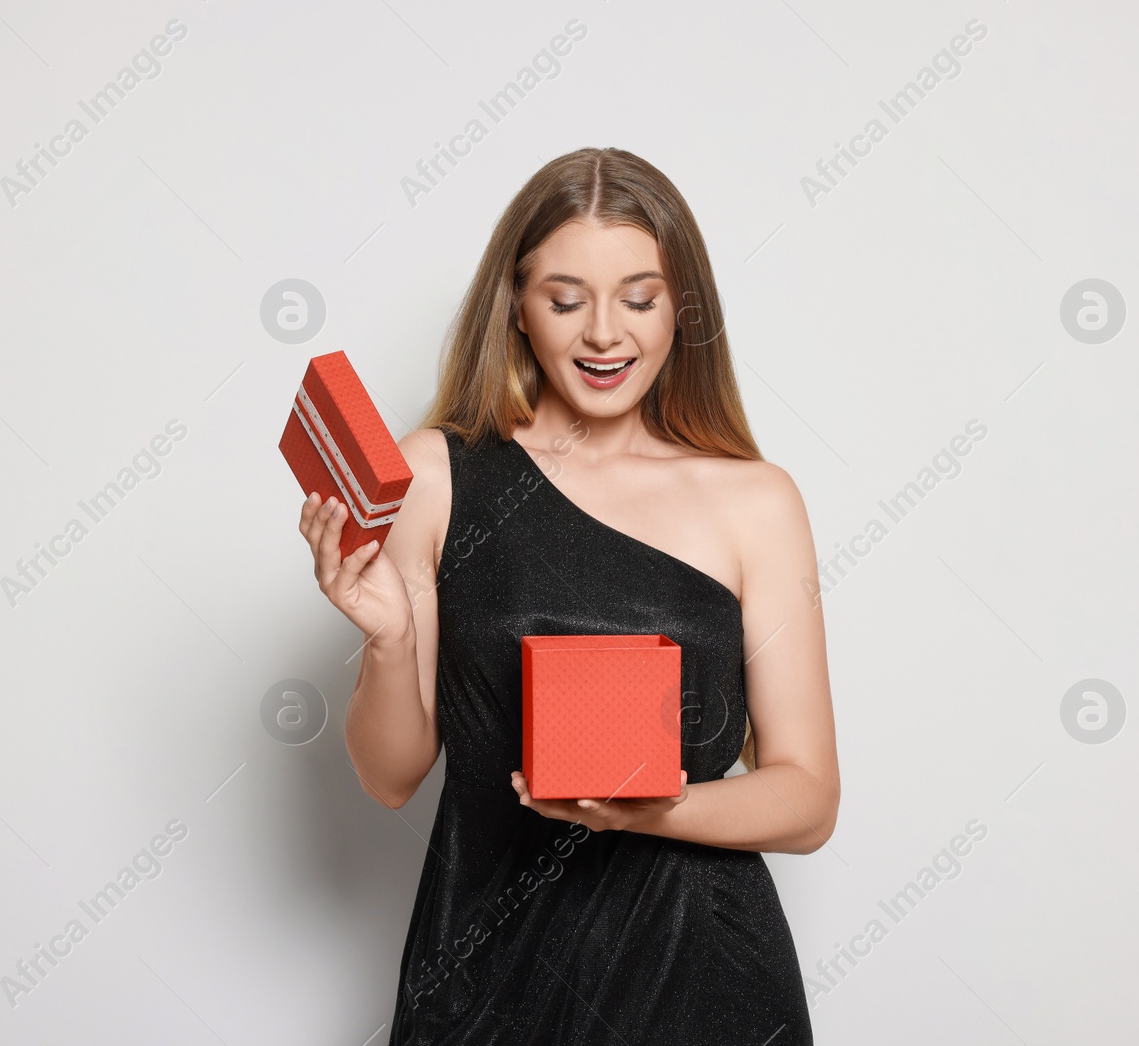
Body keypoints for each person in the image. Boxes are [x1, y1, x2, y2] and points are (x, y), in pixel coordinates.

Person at [297, 147, 837, 1045]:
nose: (603, 334)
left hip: (703, 975)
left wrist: (651, 806)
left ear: (681, 308)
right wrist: (391, 641)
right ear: (516, 303)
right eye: (564, 298)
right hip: (486, 966)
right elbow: (388, 777)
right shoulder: (436, 474)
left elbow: (809, 797)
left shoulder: (756, 499)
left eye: (639, 297)